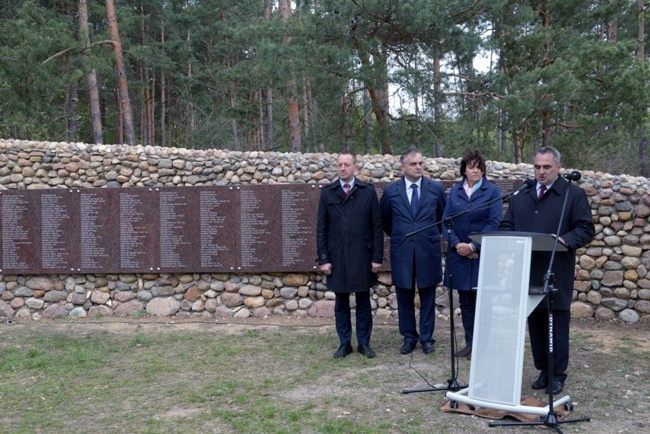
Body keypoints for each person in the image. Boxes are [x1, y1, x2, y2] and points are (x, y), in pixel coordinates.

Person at [499, 146, 594, 395]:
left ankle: (557, 374)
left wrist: (564, 240)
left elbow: (585, 229)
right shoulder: (523, 194)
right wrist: (510, 239)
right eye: (537, 167)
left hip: (556, 270)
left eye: (546, 167)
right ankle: (542, 369)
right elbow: (507, 224)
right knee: (536, 323)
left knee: (556, 324)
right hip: (528, 270)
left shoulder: (573, 195)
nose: (541, 172)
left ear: (558, 168)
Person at [317, 152, 384, 359]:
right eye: (339, 165)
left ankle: (364, 343)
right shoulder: (328, 192)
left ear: (356, 167)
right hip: (337, 257)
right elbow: (322, 228)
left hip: (362, 257)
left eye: (347, 164)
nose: (343, 168)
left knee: (363, 302)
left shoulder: (367, 192)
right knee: (341, 303)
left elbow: (377, 227)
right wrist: (324, 259)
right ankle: (344, 343)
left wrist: (377, 257)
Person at [380, 148, 447, 354]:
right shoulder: (392, 191)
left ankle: (427, 338)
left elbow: (442, 217)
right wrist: (404, 235)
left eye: (420, 163)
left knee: (427, 294)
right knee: (404, 294)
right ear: (403, 168)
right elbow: (386, 221)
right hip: (403, 251)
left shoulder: (435, 188)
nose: (418, 167)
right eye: (413, 164)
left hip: (428, 250)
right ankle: (409, 336)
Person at [442, 150, 503, 360]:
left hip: (481, 257)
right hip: (459, 257)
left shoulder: (492, 191)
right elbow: (445, 221)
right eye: (471, 166)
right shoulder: (455, 191)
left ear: (483, 169)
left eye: (478, 167)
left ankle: (482, 347)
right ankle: (470, 344)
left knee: (483, 304)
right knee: (466, 304)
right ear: (464, 170)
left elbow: (494, 222)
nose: (475, 170)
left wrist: (473, 246)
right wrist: (458, 244)